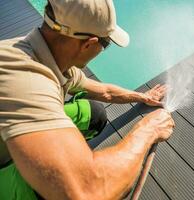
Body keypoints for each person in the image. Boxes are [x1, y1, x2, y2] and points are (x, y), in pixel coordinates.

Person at [0, 0, 175, 199]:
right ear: (89, 43)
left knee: (94, 113)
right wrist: (149, 130)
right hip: (4, 166)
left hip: (8, 135)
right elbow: (88, 192)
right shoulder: (26, 80)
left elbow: (104, 91)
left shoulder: (43, 55)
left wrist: (142, 96)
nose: (102, 49)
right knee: (58, 187)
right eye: (105, 44)